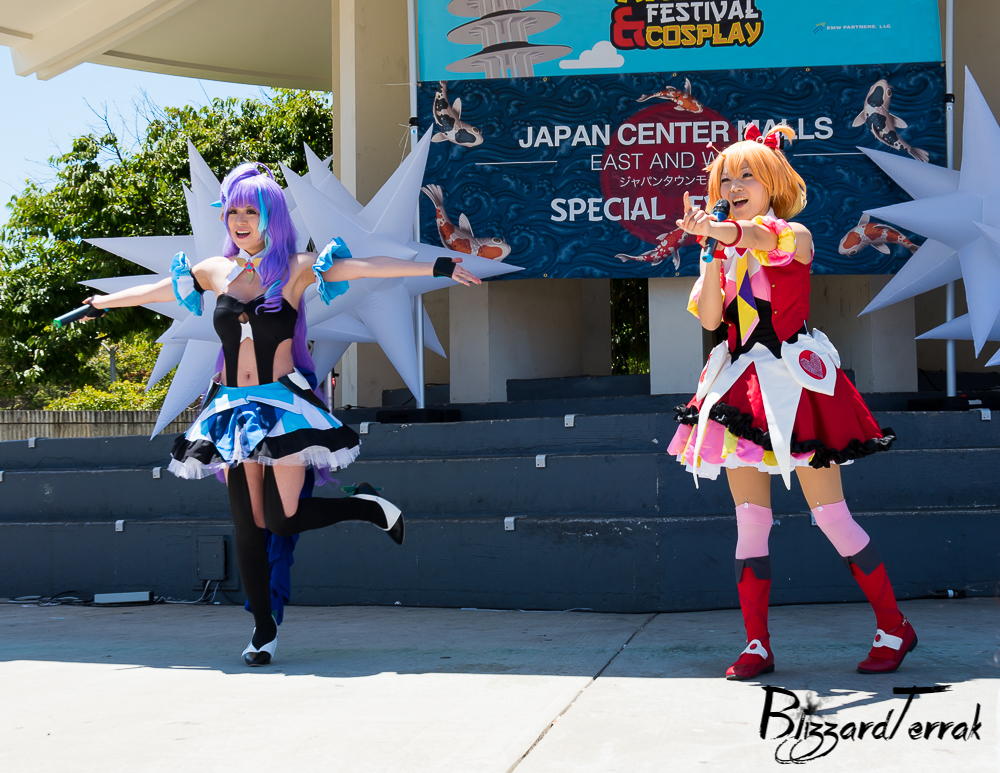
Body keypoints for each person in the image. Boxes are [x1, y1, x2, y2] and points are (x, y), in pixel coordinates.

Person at [80, 162, 480, 666]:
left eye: (251, 212)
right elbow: (159, 289)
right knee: (248, 527)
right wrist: (103, 302)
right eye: (233, 212)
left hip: (284, 406)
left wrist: (436, 267)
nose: (240, 221)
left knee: (282, 520)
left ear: (270, 216)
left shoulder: (295, 268)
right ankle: (262, 631)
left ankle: (367, 507)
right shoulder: (215, 270)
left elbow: (366, 267)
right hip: (230, 408)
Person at [667, 125, 913, 680]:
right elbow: (711, 320)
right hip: (739, 387)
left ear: (773, 182)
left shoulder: (793, 234)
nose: (733, 186)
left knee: (832, 518)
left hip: (796, 386)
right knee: (750, 523)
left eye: (746, 175)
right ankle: (757, 644)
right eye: (724, 178)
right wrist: (710, 253)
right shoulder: (723, 247)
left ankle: (894, 626)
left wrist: (722, 232)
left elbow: (763, 239)